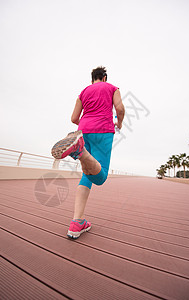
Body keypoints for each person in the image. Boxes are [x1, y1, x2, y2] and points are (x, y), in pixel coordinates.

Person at [51, 66, 125, 239]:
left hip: (83, 131)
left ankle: (77, 222)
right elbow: (120, 109)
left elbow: (74, 118)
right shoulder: (112, 88)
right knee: (101, 177)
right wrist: (119, 123)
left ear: (92, 79)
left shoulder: (83, 92)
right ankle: (80, 150)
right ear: (104, 77)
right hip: (103, 130)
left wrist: (85, 121)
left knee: (87, 175)